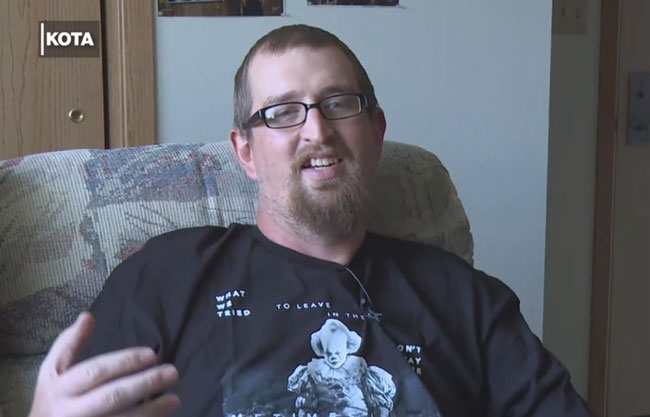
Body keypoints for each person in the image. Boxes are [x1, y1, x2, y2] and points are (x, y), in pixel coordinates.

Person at [27, 24, 596, 417]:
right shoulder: (167, 276)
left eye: (339, 104)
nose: (317, 131)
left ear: (375, 132)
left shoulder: (467, 300)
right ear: (246, 152)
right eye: (282, 113)